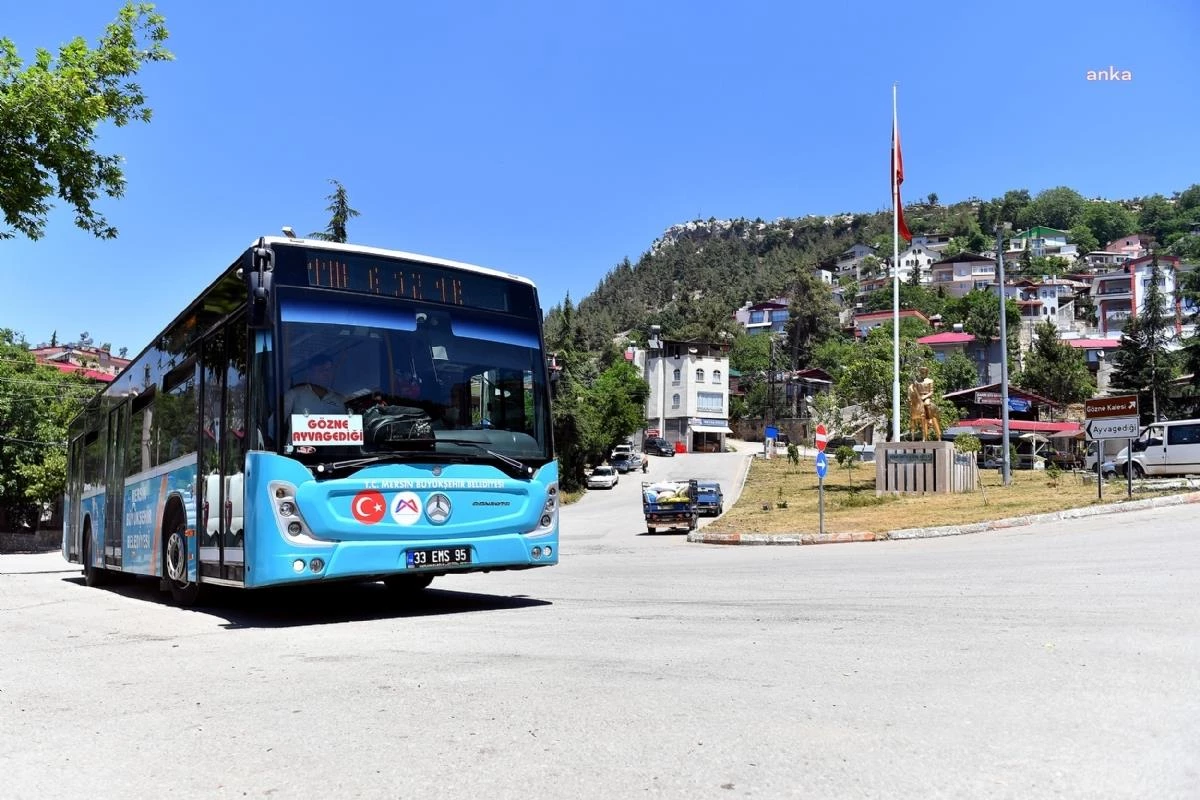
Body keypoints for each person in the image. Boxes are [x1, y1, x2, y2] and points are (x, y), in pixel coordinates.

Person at [907, 365, 942, 441]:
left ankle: (929, 419)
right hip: (918, 397)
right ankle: (911, 419)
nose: (922, 373)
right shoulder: (917, 381)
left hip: (926, 397)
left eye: (924, 372)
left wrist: (925, 396)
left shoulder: (930, 381)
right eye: (921, 372)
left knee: (927, 404)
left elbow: (931, 392)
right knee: (912, 405)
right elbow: (913, 389)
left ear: (926, 373)